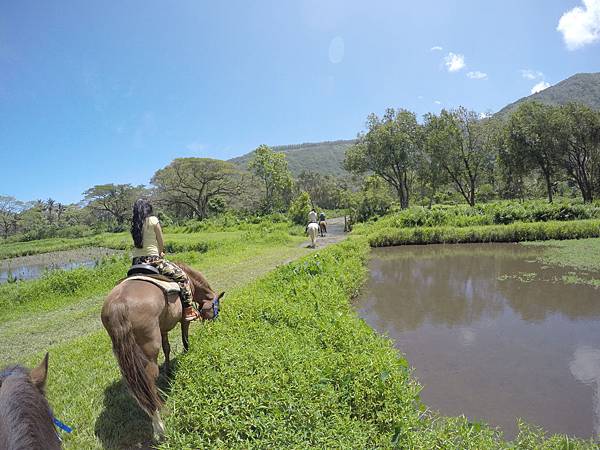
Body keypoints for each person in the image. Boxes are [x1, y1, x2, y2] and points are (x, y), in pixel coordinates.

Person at [130, 199, 199, 321]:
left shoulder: (135, 225)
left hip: (136, 263)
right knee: (182, 277)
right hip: (153, 260)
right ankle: (188, 310)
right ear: (148, 209)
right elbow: (160, 242)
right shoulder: (153, 220)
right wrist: (161, 252)